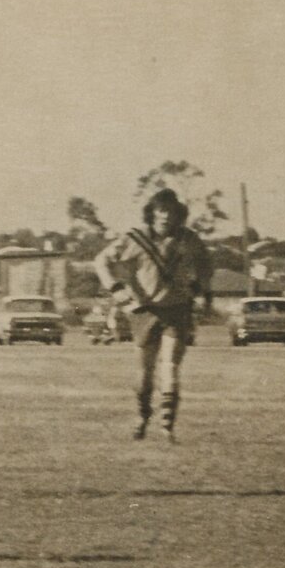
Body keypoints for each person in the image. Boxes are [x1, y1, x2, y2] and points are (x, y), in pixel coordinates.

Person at [93, 188, 215, 441]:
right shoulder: (134, 239)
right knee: (145, 371)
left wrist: (197, 286)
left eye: (170, 212)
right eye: (160, 211)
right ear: (152, 213)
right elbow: (101, 261)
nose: (165, 217)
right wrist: (117, 289)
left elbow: (206, 264)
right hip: (143, 310)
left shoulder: (187, 238)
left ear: (178, 214)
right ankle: (142, 415)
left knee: (170, 366)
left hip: (177, 309)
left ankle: (167, 426)